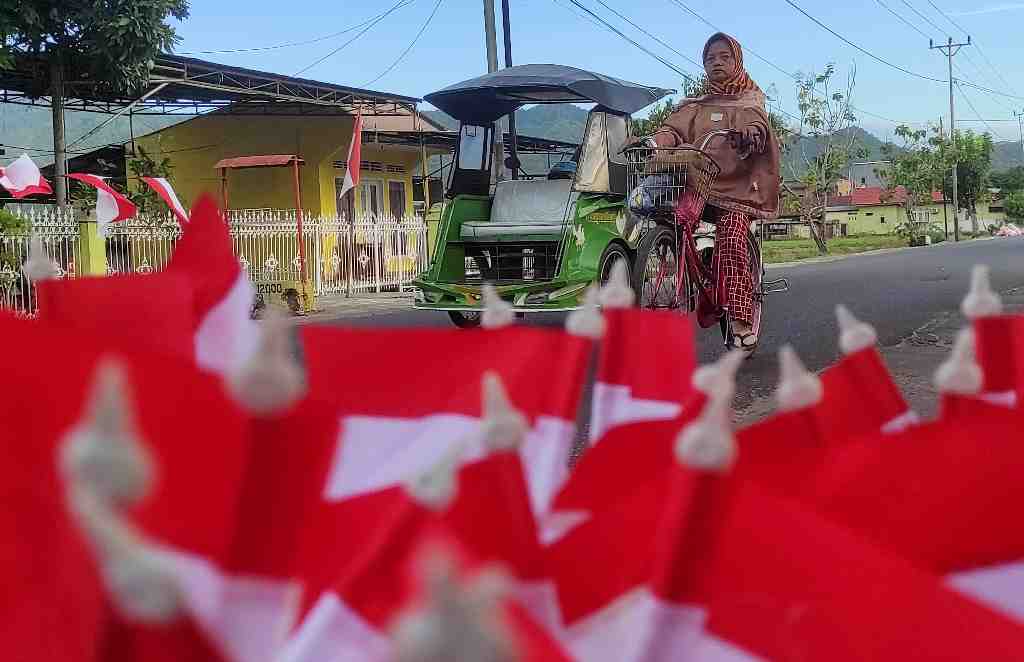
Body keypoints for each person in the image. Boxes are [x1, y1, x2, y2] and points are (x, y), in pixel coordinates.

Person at [650, 33, 781, 354]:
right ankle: (694, 276)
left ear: (737, 61)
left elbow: (757, 124)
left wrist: (749, 134)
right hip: (700, 183)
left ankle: (741, 322)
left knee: (733, 239)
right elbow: (672, 129)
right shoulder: (696, 105)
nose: (717, 63)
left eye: (725, 57)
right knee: (668, 216)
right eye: (710, 58)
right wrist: (658, 142)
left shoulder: (748, 99)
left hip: (736, 189)